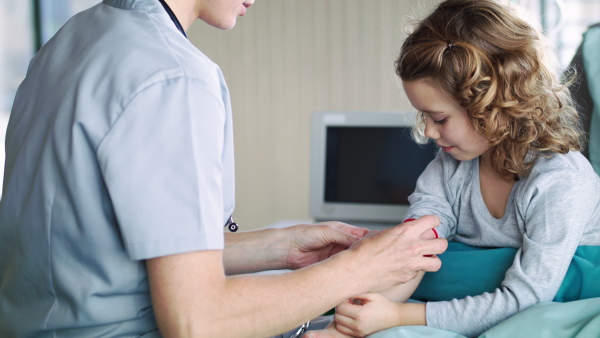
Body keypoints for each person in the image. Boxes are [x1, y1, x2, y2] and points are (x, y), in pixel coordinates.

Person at [0, 0, 449, 337]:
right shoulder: (174, 76)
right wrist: (357, 271)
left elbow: (95, 249)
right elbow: (197, 321)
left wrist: (279, 247)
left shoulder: (71, 40)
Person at [307, 0, 600, 337]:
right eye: (424, 117)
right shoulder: (451, 167)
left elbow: (527, 298)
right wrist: (347, 326)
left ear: (492, 105)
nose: (429, 133)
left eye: (440, 119)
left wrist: (397, 315)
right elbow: (414, 249)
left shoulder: (560, 182)